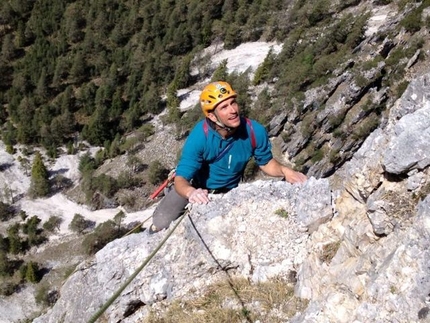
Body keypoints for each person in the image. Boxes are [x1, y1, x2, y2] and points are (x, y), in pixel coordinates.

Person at [149, 81, 307, 233]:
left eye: (233, 103)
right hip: (196, 186)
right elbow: (181, 179)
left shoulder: (254, 131)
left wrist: (286, 171)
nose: (233, 110)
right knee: (160, 222)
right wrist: (191, 193)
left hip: (229, 191)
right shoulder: (200, 137)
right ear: (212, 116)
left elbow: (266, 163)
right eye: (224, 107)